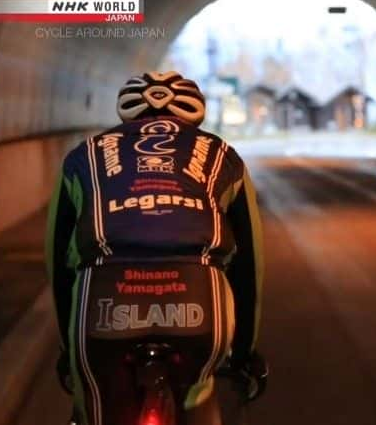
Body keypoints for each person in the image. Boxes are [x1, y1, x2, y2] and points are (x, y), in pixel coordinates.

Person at [45, 71, 266, 425]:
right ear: (195, 114)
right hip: (199, 297)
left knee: (95, 404)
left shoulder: (82, 156)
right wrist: (244, 353)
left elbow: (58, 261)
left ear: (127, 114)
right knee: (199, 390)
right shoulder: (223, 155)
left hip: (104, 298)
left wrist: (68, 348)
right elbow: (249, 262)